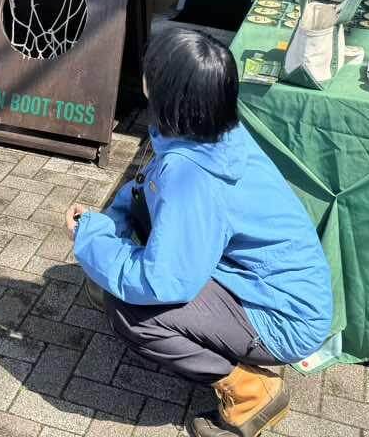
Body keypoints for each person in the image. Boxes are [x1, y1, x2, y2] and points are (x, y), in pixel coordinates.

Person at [67, 29, 333, 437]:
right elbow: (147, 189)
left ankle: (252, 393)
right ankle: (222, 336)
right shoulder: (211, 132)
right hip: (266, 283)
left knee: (131, 309)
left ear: (166, 94)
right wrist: (107, 227)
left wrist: (90, 241)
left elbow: (159, 282)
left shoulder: (192, 176)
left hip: (283, 317)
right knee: (121, 263)